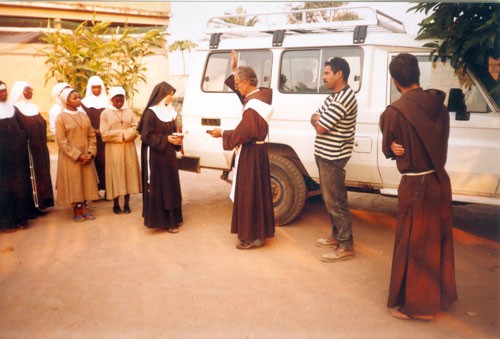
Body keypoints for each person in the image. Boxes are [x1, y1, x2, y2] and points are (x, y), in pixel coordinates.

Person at [379, 53, 457, 321]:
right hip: (438, 180)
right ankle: (439, 298)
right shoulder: (439, 105)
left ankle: (414, 306)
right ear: (417, 75)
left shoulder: (394, 111)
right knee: (435, 239)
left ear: (394, 81)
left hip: (414, 183)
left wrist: (390, 145)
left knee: (409, 243)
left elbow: (388, 141)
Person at [208, 50, 275, 250]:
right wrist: (235, 69)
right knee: (258, 194)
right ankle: (260, 232)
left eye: (238, 84)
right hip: (259, 153)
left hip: (251, 155)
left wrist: (222, 133)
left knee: (249, 195)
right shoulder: (261, 97)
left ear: (247, 83)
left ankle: (252, 236)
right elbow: (244, 99)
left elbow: (242, 134)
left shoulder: (253, 107)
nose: (237, 88)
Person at [311, 57, 358, 262]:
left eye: (327, 73)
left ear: (339, 74)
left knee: (336, 201)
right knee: (329, 199)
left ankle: (346, 246)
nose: (323, 77)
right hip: (324, 154)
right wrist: (318, 120)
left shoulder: (344, 98)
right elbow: (314, 116)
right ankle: (336, 236)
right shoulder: (334, 96)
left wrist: (318, 121)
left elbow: (320, 125)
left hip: (333, 157)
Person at [137, 82, 183, 233]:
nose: (171, 97)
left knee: (171, 185)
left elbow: (172, 131)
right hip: (156, 156)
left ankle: (173, 219)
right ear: (162, 95)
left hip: (168, 155)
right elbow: (146, 136)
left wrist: (177, 140)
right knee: (161, 186)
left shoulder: (169, 111)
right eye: (170, 94)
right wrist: (166, 140)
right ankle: (164, 222)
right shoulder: (151, 113)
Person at [55, 87, 99, 222]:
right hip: (71, 157)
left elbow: (91, 135)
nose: (79, 100)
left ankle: (85, 210)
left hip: (86, 155)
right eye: (75, 98)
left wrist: (90, 153)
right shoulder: (60, 118)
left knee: (86, 182)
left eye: (79, 97)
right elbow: (62, 141)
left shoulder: (84, 116)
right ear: (66, 101)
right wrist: (78, 155)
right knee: (75, 183)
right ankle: (77, 211)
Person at [10, 81, 54, 214]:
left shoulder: (34, 107)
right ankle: (32, 206)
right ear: (19, 92)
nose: (30, 92)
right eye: (27, 90)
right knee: (30, 176)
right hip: (27, 151)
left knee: (41, 173)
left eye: (31, 90)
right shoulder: (14, 110)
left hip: (40, 148)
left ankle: (43, 202)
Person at [100, 86, 142, 214]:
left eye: (121, 101)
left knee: (128, 174)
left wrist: (127, 134)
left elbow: (136, 128)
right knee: (116, 175)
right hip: (114, 149)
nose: (119, 103)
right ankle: (116, 204)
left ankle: (127, 204)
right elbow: (105, 133)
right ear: (111, 100)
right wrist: (123, 134)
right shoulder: (105, 113)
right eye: (116, 101)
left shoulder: (129, 112)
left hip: (128, 148)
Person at [0, 80, 33, 232]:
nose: (4, 94)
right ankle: (6, 223)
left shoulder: (12, 109)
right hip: (2, 160)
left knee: (19, 187)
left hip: (16, 157)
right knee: (4, 190)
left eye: (5, 91)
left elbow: (22, 131)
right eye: (0, 92)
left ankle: (21, 219)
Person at [81, 75, 108, 192]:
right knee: (94, 161)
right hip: (91, 136)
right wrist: (92, 130)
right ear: (90, 88)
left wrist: (103, 130)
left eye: (98, 87)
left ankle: (108, 189)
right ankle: (95, 190)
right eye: (94, 88)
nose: (96, 90)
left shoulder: (108, 101)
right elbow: (83, 119)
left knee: (106, 162)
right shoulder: (84, 102)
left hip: (105, 136)